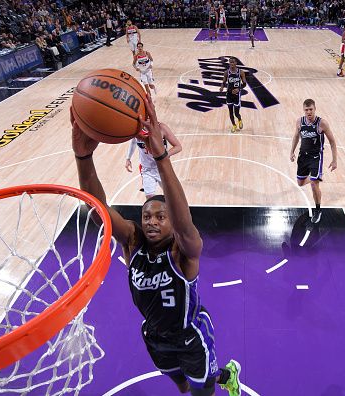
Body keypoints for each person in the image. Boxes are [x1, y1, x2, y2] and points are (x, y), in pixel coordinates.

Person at [71, 96, 242, 396]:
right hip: (154, 336)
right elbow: (100, 211)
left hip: (191, 336)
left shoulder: (183, 250)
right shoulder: (133, 244)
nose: (151, 220)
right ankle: (214, 374)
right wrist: (83, 158)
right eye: (146, 215)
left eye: (160, 216)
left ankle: (227, 374)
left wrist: (162, 158)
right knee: (182, 385)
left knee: (204, 391)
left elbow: (183, 221)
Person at [289, 99, 338, 223]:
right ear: (304, 110)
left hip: (316, 157)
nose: (309, 112)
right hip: (303, 157)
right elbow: (296, 136)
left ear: (315, 109)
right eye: (306, 110)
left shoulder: (322, 123)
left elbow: (332, 141)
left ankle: (318, 209)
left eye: (311, 109)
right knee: (300, 183)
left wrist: (334, 160)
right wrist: (292, 151)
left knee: (313, 184)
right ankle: (315, 176)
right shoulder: (299, 121)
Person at [125, 122, 182, 198]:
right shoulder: (137, 129)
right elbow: (133, 143)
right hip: (147, 169)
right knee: (149, 198)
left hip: (162, 168)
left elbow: (178, 147)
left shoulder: (161, 128)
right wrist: (128, 158)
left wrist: (165, 155)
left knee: (172, 197)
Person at [220, 57, 246, 133]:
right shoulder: (226, 72)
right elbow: (224, 82)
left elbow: (244, 84)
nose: (231, 64)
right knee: (230, 112)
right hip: (229, 94)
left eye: (233, 62)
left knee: (236, 113)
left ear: (236, 63)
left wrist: (238, 89)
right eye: (230, 62)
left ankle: (240, 119)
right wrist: (222, 87)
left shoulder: (241, 72)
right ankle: (234, 125)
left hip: (237, 95)